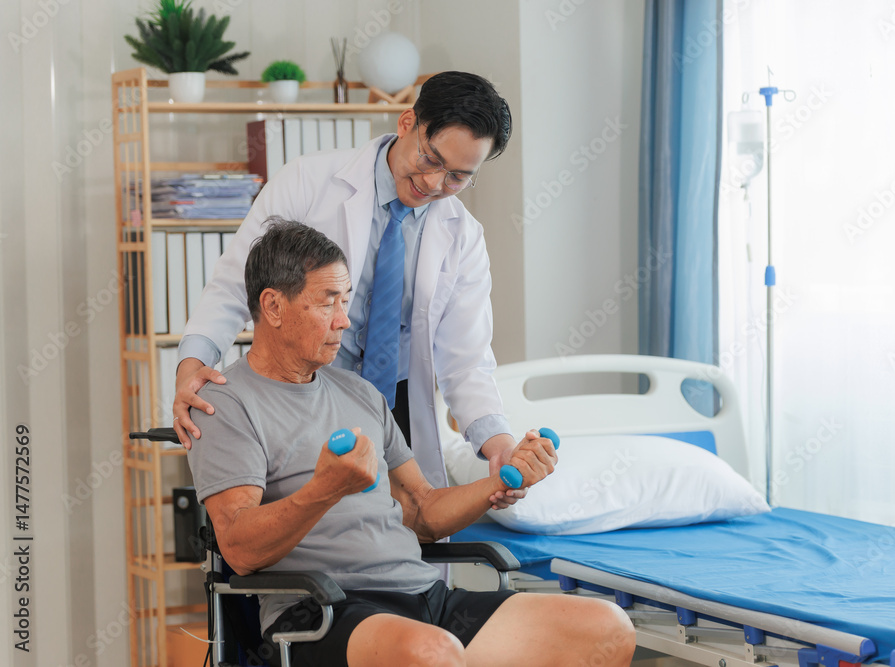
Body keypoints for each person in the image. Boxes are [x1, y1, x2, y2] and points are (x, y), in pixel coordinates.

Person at [186, 220, 635, 667]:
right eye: (327, 303)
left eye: (346, 301)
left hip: (422, 597)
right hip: (321, 611)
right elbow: (241, 551)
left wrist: (497, 480)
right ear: (274, 306)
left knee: (606, 627)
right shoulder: (226, 404)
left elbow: (421, 512)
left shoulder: (359, 393)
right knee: (433, 652)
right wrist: (325, 489)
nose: (344, 320)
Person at [174, 71, 519, 501]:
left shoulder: (463, 235)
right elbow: (233, 285)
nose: (434, 184)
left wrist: (497, 442)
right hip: (302, 403)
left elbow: (466, 359)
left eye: (458, 177)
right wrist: (192, 365)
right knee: (308, 536)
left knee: (401, 541)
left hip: (397, 418)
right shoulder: (307, 182)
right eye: (431, 159)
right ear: (408, 123)